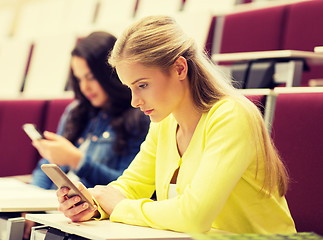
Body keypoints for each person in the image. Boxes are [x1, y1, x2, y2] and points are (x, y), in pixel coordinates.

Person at [56, 16, 296, 234]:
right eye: (130, 88)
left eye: (142, 85)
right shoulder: (165, 122)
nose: (135, 101)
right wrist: (94, 206)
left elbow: (194, 217)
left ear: (180, 68)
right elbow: (131, 185)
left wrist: (119, 206)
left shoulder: (231, 116)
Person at [23, 31, 149, 239]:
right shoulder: (76, 111)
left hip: (92, 225)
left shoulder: (139, 116)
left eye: (90, 77)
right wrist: (29, 207)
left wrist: (77, 160)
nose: (85, 87)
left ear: (110, 74)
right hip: (56, 215)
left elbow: (129, 187)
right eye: (79, 78)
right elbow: (44, 170)